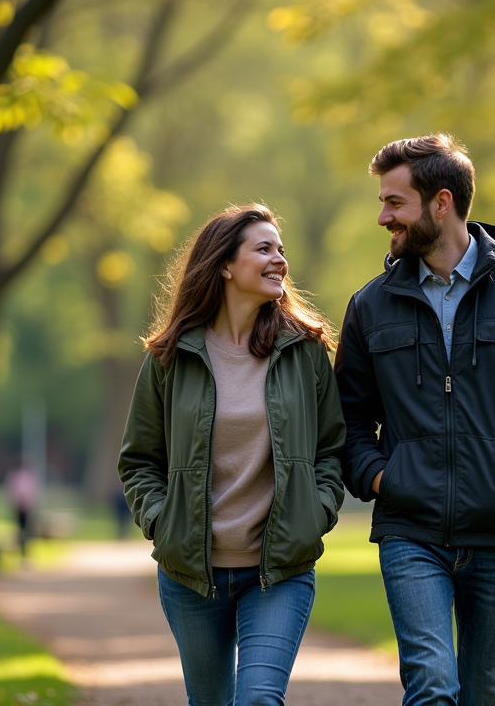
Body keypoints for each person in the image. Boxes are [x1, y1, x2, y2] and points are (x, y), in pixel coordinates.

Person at [334, 134, 495, 706]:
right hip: (410, 530)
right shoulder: (369, 305)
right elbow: (347, 419)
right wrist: (381, 477)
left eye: (395, 203)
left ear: (442, 202)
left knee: (485, 694)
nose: (384, 217)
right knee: (431, 683)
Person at [119, 204, 346, 706]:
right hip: (191, 578)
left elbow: (332, 448)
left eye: (281, 249)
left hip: (279, 571)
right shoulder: (171, 356)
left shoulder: (305, 351)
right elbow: (139, 460)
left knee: (260, 700)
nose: (279, 260)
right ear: (225, 264)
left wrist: (318, 512)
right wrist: (162, 522)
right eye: (263, 249)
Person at [4, 460, 40, 558]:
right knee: (22, 529)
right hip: (22, 507)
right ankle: (22, 549)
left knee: (23, 529)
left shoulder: (16, 476)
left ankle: (23, 549)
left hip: (24, 507)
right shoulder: (23, 476)